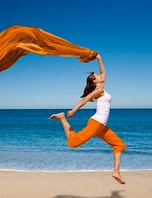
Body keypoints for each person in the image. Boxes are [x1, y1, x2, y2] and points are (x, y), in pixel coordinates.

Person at [49, 54, 127, 184]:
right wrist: (73, 110)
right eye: (97, 76)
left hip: (101, 126)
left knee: (119, 145)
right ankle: (62, 118)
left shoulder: (102, 86)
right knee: (74, 143)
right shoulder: (99, 90)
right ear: (95, 81)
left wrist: (99, 58)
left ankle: (116, 172)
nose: (100, 75)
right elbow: (85, 100)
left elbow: (104, 71)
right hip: (96, 122)